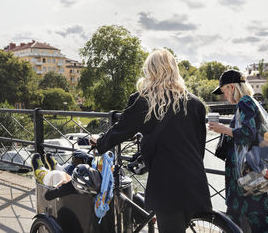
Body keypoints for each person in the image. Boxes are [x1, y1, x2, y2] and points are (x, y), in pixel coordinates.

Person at [90, 48, 212, 233]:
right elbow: (199, 147)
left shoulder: (146, 100)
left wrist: (100, 143)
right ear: (174, 69)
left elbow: (121, 129)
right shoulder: (195, 103)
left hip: (167, 186)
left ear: (150, 71)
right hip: (195, 181)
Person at [208, 70, 268, 233]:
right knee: (256, 221)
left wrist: (224, 129)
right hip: (251, 176)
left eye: (224, 91)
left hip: (245, 180)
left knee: (243, 223)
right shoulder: (249, 102)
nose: (224, 95)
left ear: (232, 87)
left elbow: (248, 133)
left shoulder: (244, 102)